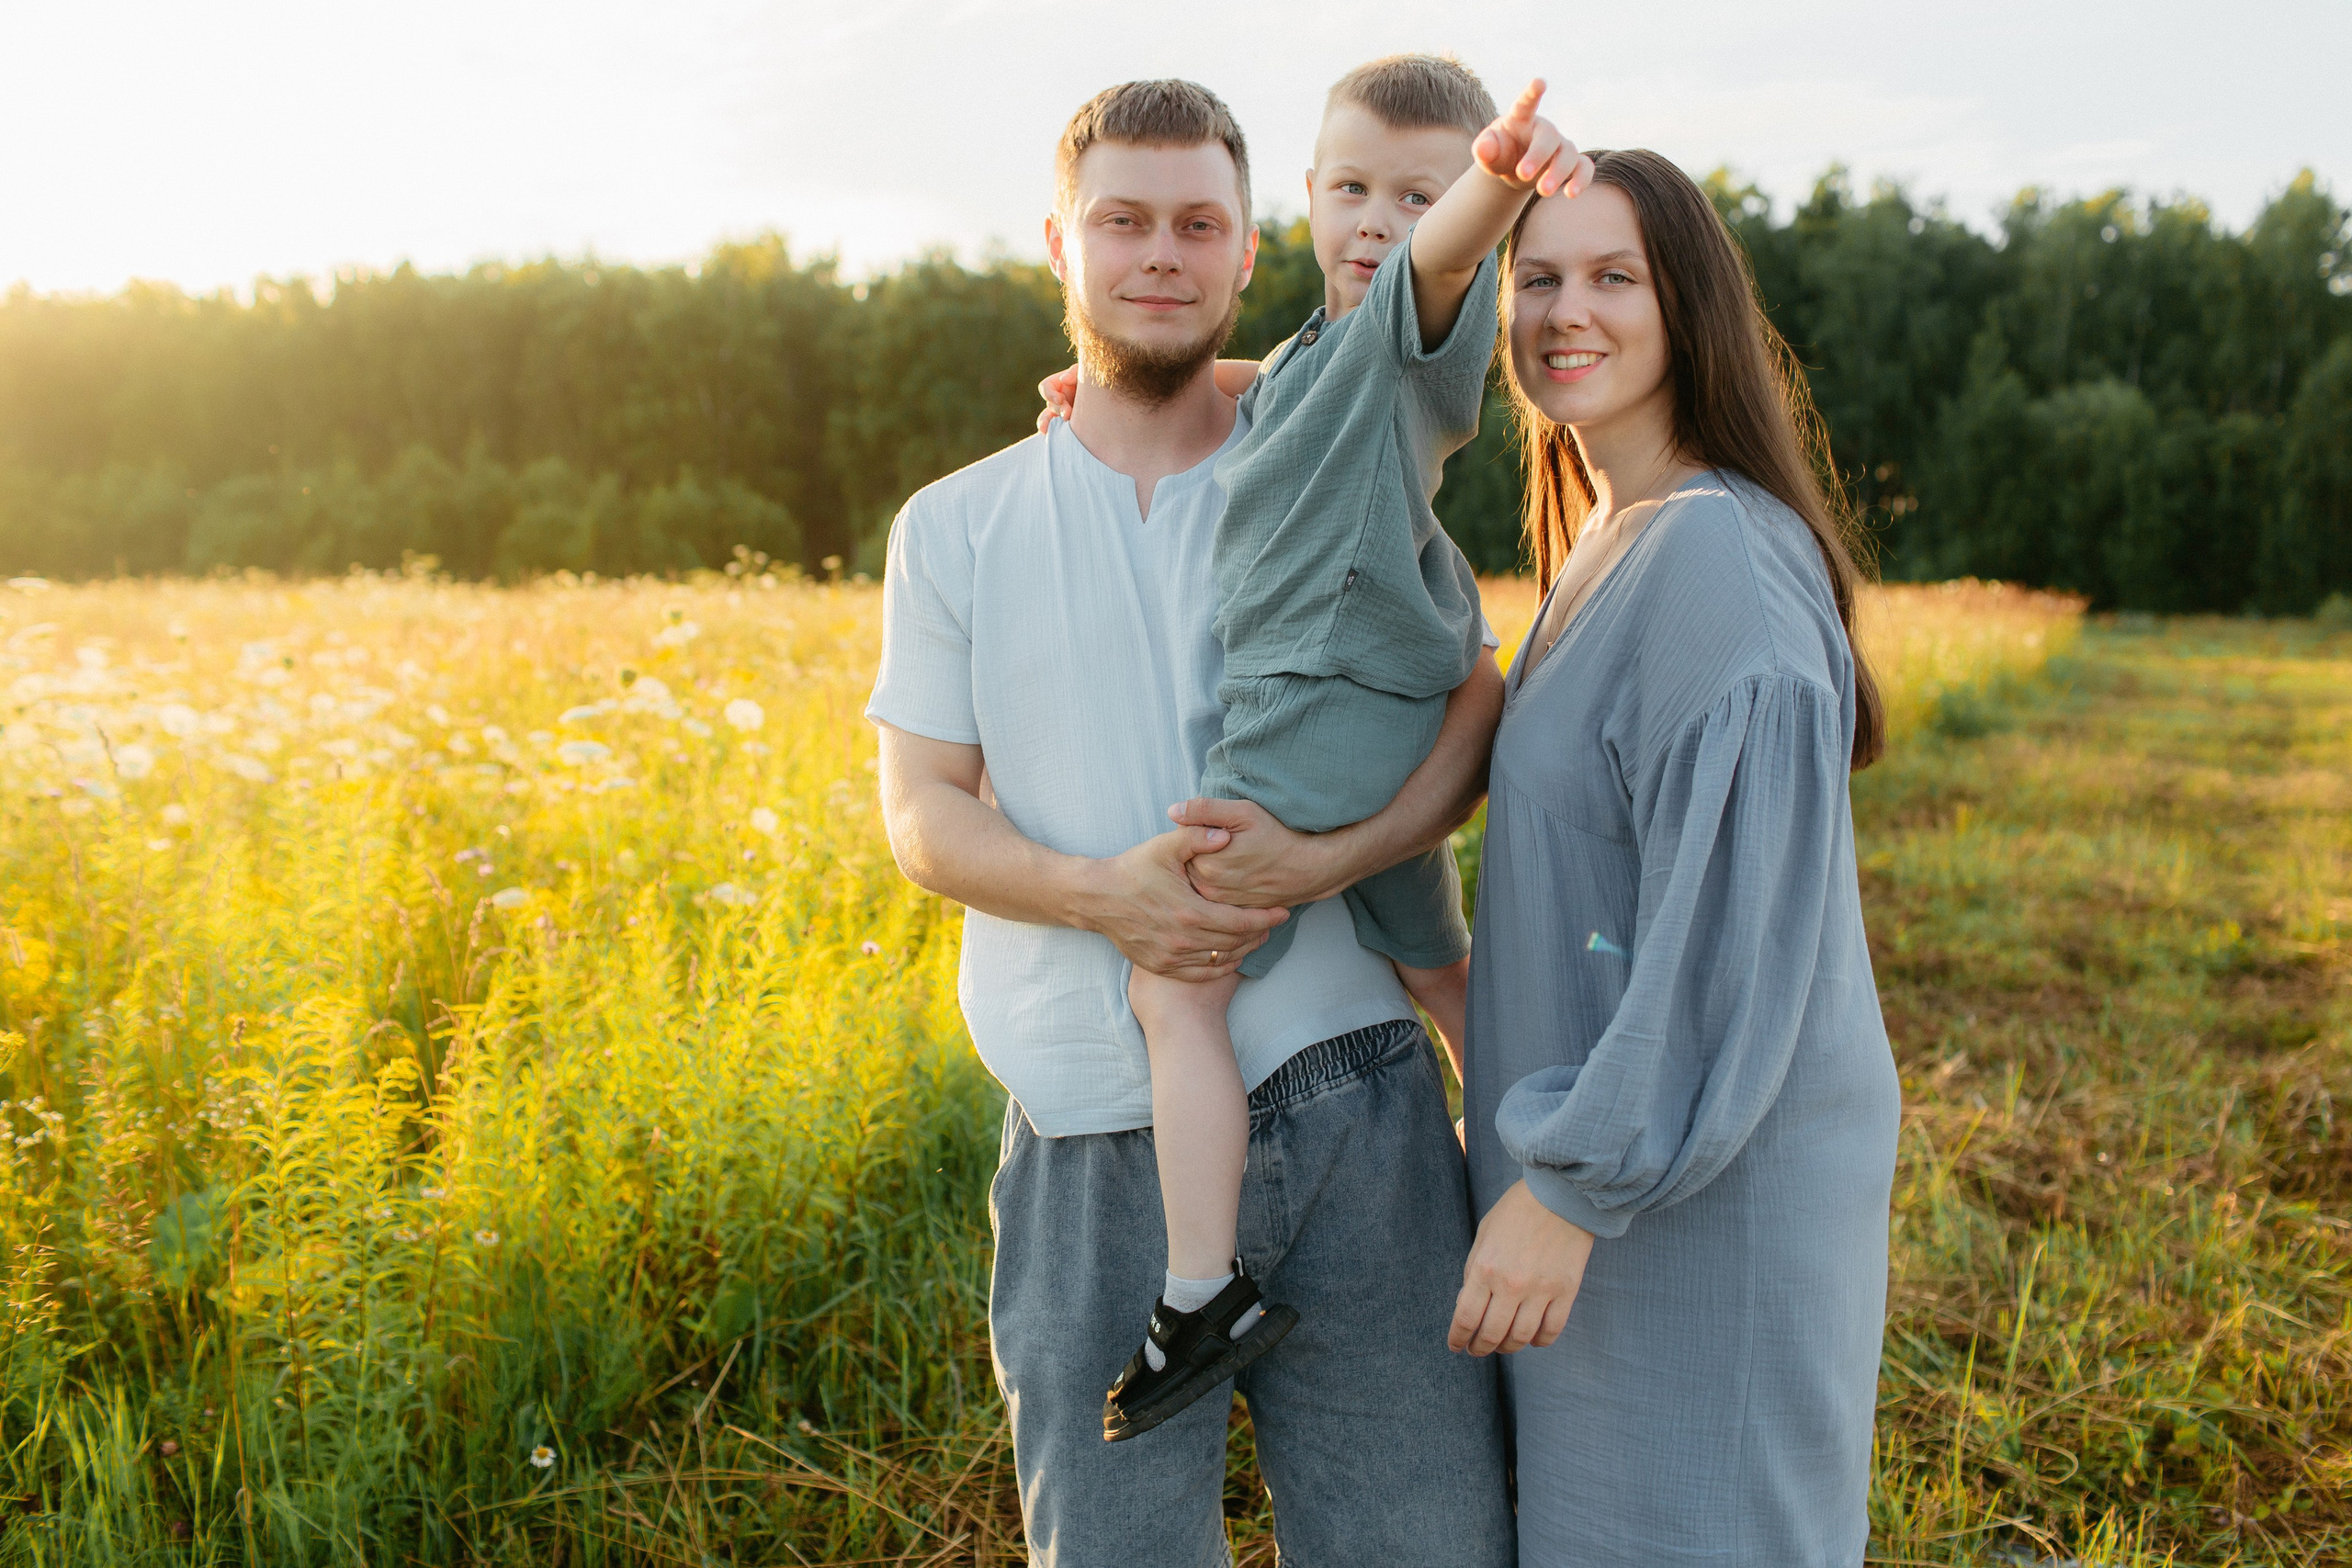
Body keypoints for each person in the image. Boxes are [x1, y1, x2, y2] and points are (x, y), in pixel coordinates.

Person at [867, 79, 1513, 1566]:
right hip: (1091, 1142)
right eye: (1123, 222)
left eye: (1197, 226)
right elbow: (922, 816)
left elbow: (1467, 705)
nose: (1159, 254)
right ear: (1060, 244)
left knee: (1424, 1548)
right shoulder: (953, 525)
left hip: (1360, 1112)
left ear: (1245, 255)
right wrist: (1109, 896)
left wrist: (1330, 863)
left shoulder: (1326, 458)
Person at [1036, 57, 1590, 1439]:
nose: (1376, 221)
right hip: (1388, 701)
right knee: (1435, 962)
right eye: (1351, 188)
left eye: (1415, 196)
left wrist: (1494, 183)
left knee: (1174, 986)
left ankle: (1199, 1288)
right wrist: (1168, 368)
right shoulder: (1327, 358)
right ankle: (1545, 1154)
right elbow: (1288, 374)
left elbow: (1430, 263)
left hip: (1308, 721)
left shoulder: (1416, 323)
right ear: (1306, 194)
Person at [1446, 149, 1904, 1567]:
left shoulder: (1711, 555)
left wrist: (1575, 1186)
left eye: (1611, 276)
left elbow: (1726, 943)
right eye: (1535, 278)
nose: (1562, 311)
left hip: (1686, 1195)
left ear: (1687, 304)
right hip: (1615, 1176)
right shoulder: (1608, 538)